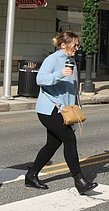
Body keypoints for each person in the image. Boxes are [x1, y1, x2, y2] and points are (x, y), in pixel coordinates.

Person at [24, 31, 98, 195]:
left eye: (78, 45)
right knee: (70, 140)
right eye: (74, 44)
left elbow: (72, 89)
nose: (77, 48)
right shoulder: (52, 60)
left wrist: (76, 108)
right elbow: (40, 80)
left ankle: (31, 175)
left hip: (64, 110)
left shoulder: (71, 61)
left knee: (52, 144)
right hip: (49, 109)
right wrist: (59, 74)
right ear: (63, 44)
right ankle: (80, 181)